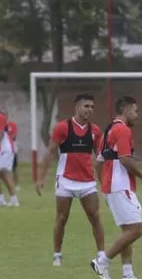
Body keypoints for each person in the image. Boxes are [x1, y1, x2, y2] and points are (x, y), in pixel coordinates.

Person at [35, 93, 106, 267]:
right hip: (65, 180)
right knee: (61, 218)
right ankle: (57, 255)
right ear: (77, 107)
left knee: (95, 217)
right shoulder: (62, 127)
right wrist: (41, 178)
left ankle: (102, 255)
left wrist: (105, 182)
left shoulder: (95, 131)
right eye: (86, 106)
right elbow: (50, 152)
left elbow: (100, 158)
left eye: (92, 107)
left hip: (88, 182)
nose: (89, 110)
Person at [91, 96, 142, 279]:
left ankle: (127, 274)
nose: (137, 115)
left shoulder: (108, 131)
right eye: (135, 111)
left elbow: (99, 161)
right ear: (125, 110)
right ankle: (101, 262)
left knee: (128, 229)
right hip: (120, 186)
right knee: (136, 229)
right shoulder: (123, 130)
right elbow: (125, 159)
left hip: (112, 187)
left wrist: (105, 185)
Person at [7, 117, 20, 193]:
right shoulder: (0, 125)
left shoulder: (11, 124)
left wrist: (7, 139)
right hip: (3, 150)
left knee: (14, 168)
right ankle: (8, 185)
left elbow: (14, 135)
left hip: (12, 148)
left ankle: (16, 185)